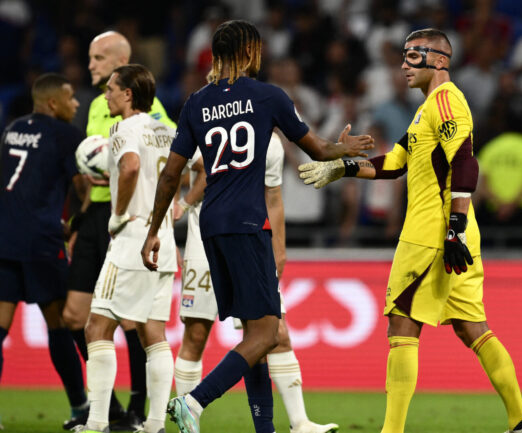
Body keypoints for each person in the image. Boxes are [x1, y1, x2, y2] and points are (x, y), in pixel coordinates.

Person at [140, 20, 372, 433]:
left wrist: (154, 230)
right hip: (249, 223)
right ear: (249, 51)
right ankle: (193, 402)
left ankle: (264, 429)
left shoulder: (196, 103)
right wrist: (345, 151)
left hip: (212, 224)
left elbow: (171, 174)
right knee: (266, 333)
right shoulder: (268, 96)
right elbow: (317, 150)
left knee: (254, 332)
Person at [299, 28, 522, 433]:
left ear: (440, 60)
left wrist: (454, 228)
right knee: (472, 327)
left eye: (414, 56)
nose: (404, 64)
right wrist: (343, 166)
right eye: (404, 56)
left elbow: (465, 161)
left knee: (401, 325)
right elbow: (395, 164)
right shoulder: (427, 109)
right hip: (453, 231)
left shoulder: (446, 101)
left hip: (432, 232)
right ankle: (520, 424)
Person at [173, 133, 339, 433]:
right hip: (204, 238)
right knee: (197, 335)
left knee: (272, 332)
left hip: (252, 242)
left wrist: (280, 248)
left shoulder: (270, 142)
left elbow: (272, 197)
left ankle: (297, 423)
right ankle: (189, 413)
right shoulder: (207, 120)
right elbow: (177, 168)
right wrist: (180, 205)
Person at [63, 30, 176, 430]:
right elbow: (183, 171)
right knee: (154, 333)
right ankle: (156, 423)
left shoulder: (123, 129)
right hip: (163, 239)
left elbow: (128, 167)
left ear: (128, 94)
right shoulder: (166, 131)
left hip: (130, 238)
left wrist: (117, 213)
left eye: (112, 89)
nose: (106, 95)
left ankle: (95, 423)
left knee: (96, 326)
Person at [0, 73, 89, 429]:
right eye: (70, 97)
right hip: (40, 240)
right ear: (53, 103)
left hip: (4, 237)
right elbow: (84, 187)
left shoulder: (11, 129)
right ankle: (83, 407)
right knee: (62, 324)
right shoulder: (67, 135)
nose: (76, 103)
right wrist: (82, 226)